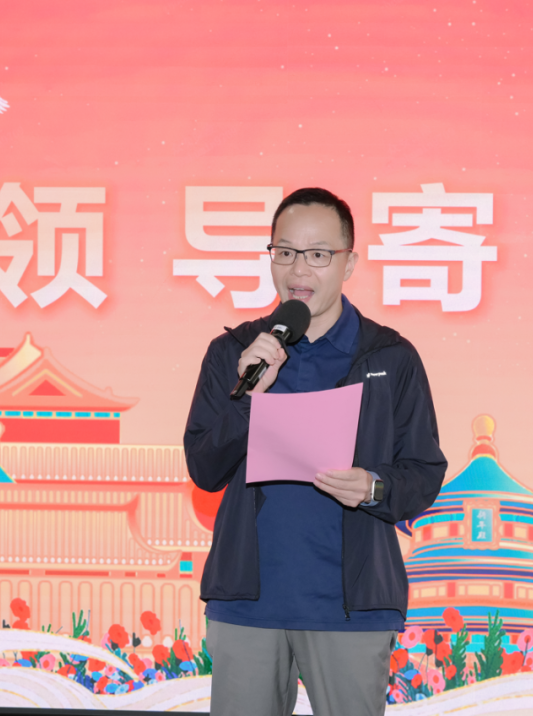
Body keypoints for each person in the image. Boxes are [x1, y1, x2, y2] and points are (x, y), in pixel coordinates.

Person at [184, 187, 447, 716]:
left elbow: (423, 470)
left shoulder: (390, 357)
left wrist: (373, 487)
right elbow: (204, 468)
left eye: (318, 254)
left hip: (350, 607)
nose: (298, 269)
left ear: (349, 263)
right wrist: (248, 396)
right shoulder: (235, 352)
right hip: (248, 604)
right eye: (284, 252)